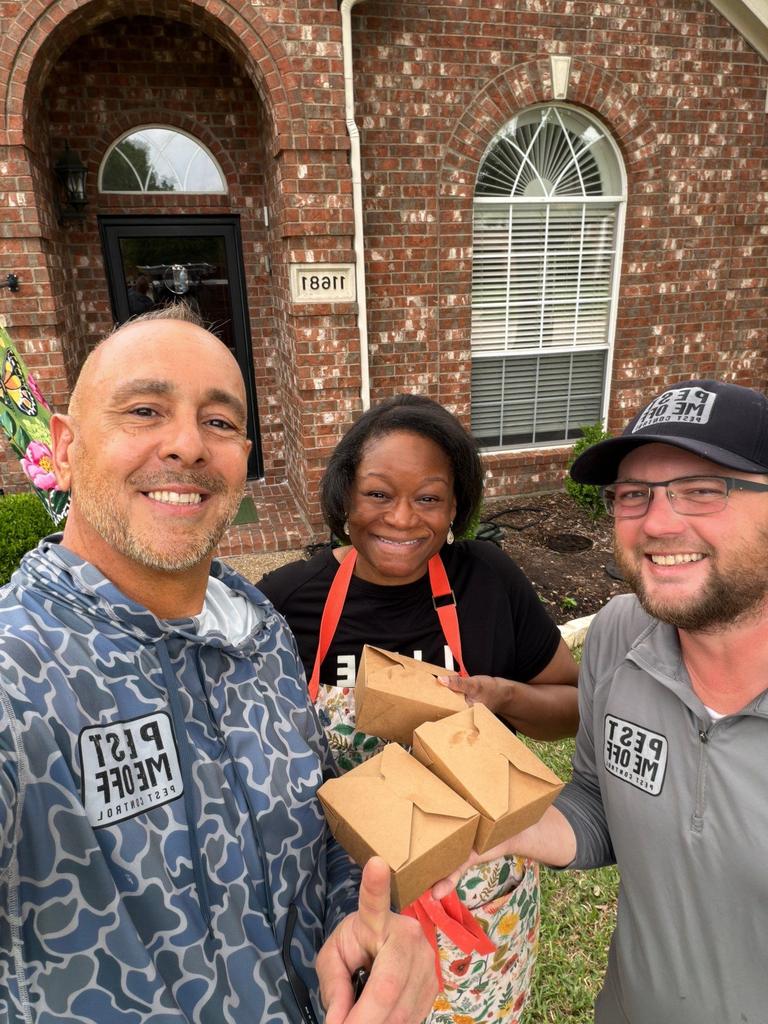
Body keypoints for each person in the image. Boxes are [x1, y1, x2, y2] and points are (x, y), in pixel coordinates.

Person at [0, 305, 435, 1024]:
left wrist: (364, 930)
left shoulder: (256, 629)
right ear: (64, 447)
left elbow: (317, 822)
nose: (188, 445)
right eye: (144, 410)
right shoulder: (20, 675)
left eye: (220, 421)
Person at [435, 378, 768, 1023]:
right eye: (633, 495)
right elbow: (597, 799)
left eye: (703, 489)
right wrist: (502, 830)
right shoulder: (620, 635)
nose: (658, 522)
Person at [258, 394, 579, 1024]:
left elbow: (569, 706)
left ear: (455, 507)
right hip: (351, 911)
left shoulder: (486, 581)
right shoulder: (287, 602)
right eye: (378, 494)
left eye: (428, 498)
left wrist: (502, 696)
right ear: (344, 498)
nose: (402, 519)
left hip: (480, 902)